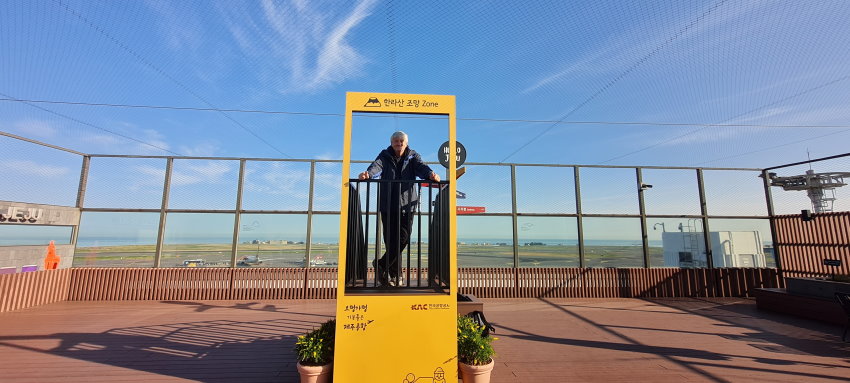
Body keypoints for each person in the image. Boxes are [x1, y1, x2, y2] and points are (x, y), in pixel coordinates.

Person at [359, 131, 440, 286]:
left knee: (404, 238)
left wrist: (430, 174)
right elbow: (376, 167)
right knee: (391, 241)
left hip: (407, 205)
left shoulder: (413, 156)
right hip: (388, 204)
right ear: (392, 143)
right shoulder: (384, 155)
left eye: (402, 141)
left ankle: (382, 264)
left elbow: (421, 167)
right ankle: (395, 276)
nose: (399, 143)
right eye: (396, 141)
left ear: (406, 143)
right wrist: (368, 174)